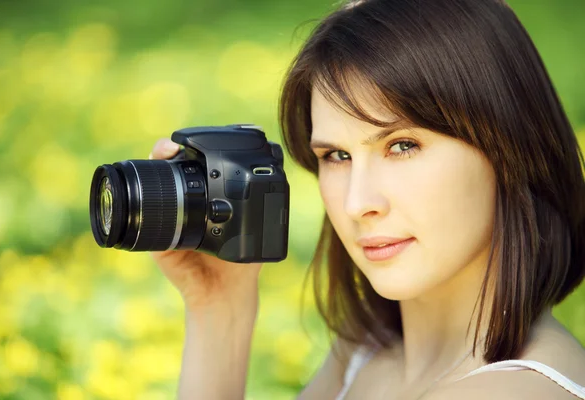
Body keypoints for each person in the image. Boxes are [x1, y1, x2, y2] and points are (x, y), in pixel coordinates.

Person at [148, 0, 585, 398]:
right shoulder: (363, 355)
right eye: (336, 156)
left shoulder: (515, 391)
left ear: (508, 145)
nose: (358, 203)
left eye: (402, 146)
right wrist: (219, 308)